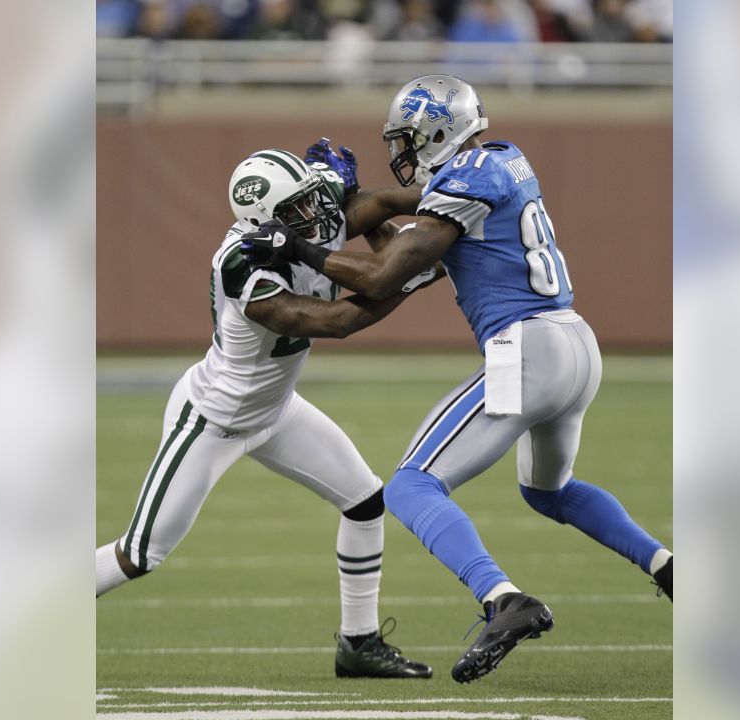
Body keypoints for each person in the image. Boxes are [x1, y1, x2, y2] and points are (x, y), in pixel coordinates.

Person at [239, 75, 672, 683]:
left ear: (436, 130)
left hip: (525, 350)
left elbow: (383, 275)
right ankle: (668, 568)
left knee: (410, 488)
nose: (404, 151)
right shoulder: (500, 162)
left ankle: (502, 599)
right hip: (575, 343)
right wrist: (351, 200)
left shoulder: (463, 181)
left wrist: (299, 247)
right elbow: (402, 249)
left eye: (408, 139)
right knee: (549, 491)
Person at [95, 144, 435, 679]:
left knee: (366, 501)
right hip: (214, 419)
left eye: (310, 200)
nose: (316, 215)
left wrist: (455, 200)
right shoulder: (242, 266)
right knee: (140, 553)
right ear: (265, 225)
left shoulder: (301, 215)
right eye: (298, 208)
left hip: (275, 410)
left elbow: (380, 203)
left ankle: (359, 644)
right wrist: (405, 282)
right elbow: (333, 322)